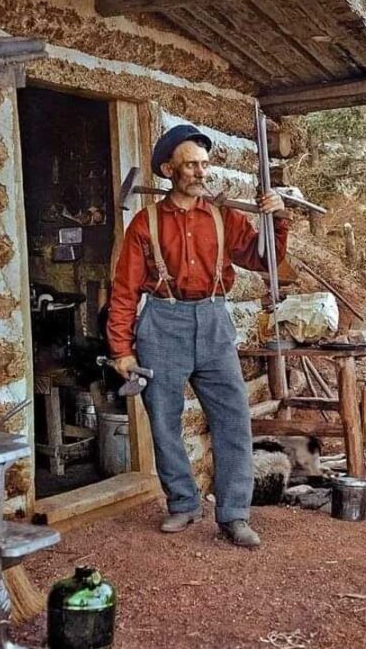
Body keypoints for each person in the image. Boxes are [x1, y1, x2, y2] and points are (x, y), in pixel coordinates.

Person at [107, 124, 288, 548]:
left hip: (213, 321)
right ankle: (183, 503)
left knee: (233, 419)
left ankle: (233, 514)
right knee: (165, 420)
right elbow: (124, 290)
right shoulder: (145, 224)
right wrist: (121, 350)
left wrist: (276, 218)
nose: (199, 172)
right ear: (169, 169)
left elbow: (266, 260)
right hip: (162, 324)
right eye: (190, 164)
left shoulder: (224, 216)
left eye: (204, 164)